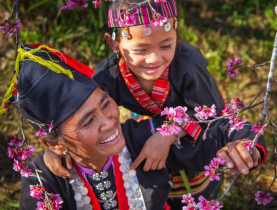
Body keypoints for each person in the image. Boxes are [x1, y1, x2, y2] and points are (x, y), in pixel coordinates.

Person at [43, 0, 267, 208]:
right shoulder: (108, 75)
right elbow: (85, 110)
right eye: (141, 49)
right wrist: (62, 147)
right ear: (114, 43)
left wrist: (167, 134)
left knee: (195, 186)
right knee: (156, 185)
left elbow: (212, 114)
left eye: (166, 45)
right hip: (150, 131)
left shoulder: (187, 65)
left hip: (194, 133)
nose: (154, 59)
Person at [0, 43, 264, 210]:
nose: (108, 123)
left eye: (106, 104)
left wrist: (242, 144)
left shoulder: (142, 140)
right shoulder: (43, 179)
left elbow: (219, 128)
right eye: (88, 121)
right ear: (54, 143)